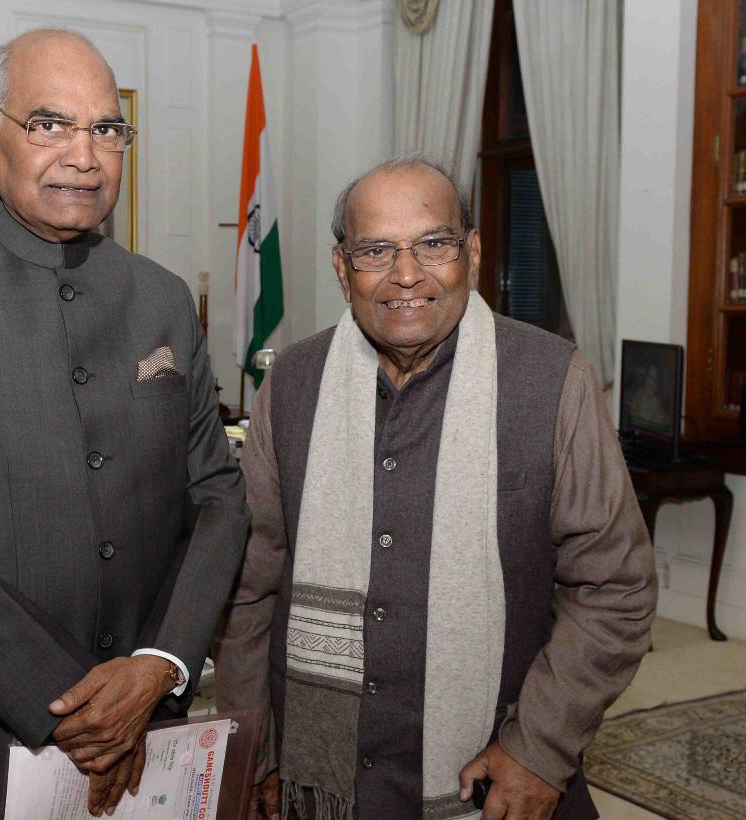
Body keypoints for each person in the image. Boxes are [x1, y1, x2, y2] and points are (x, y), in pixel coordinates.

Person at [0, 29, 248, 819]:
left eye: (106, 129)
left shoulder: (162, 299)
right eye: (50, 124)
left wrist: (157, 664)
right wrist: (78, 701)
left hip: (149, 729)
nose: (83, 157)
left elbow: (218, 498)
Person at [212, 156, 657, 820]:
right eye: (375, 250)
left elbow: (616, 587)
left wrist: (539, 748)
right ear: (342, 269)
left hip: (497, 771)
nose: (406, 274)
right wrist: (255, 747)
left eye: (433, 244)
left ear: (471, 253)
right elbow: (248, 588)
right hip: (318, 777)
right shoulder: (292, 385)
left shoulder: (552, 381)